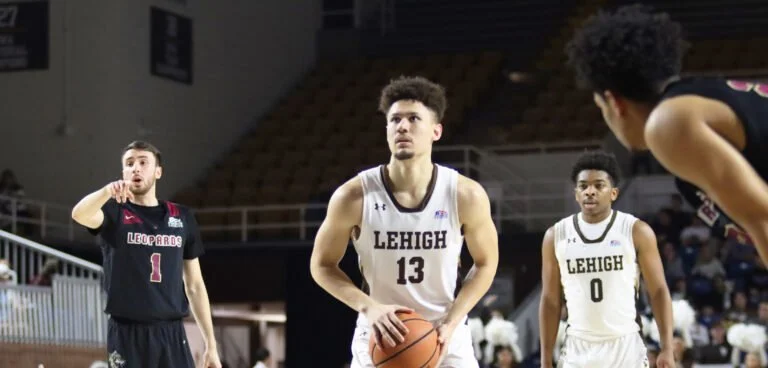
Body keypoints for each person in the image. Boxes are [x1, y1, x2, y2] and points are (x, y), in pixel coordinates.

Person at [310, 76, 499, 367]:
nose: (402, 126)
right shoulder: (353, 196)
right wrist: (369, 307)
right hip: (379, 331)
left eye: (413, 119)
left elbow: (486, 263)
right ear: (386, 129)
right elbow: (321, 265)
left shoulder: (465, 195)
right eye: (394, 119)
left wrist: (452, 320)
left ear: (436, 131)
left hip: (443, 332)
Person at [565, 4, 768, 261]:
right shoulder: (702, 106)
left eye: (600, 109)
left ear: (614, 102)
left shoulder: (670, 122)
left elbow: (764, 218)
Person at [71, 140, 221, 368]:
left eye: (143, 162)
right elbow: (79, 214)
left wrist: (210, 344)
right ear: (123, 172)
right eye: (129, 163)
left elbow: (194, 285)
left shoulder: (182, 217)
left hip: (170, 332)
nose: (136, 168)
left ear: (158, 171)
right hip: (126, 333)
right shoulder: (114, 212)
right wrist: (105, 192)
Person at [538, 151, 675, 368]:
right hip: (577, 346)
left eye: (598, 185)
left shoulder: (636, 230)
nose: (590, 191)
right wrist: (545, 359)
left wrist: (667, 347)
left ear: (613, 193)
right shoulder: (556, 235)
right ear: (576, 194)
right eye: (583, 186)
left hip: (625, 345)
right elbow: (550, 301)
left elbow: (658, 290)